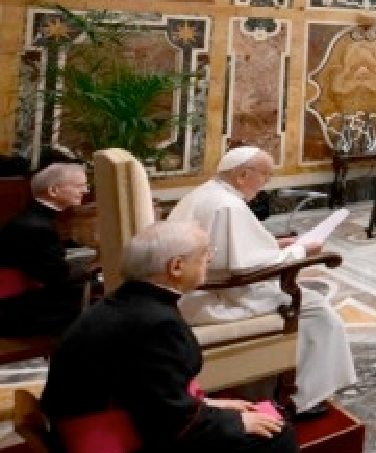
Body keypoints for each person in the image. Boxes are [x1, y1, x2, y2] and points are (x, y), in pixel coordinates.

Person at [41, 221, 298, 453]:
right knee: (278, 436)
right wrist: (235, 423)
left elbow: (147, 390)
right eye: (204, 255)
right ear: (176, 267)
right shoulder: (155, 323)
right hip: (111, 435)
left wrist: (210, 405)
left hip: (112, 415)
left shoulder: (128, 301)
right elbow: (167, 419)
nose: (209, 260)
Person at [167, 147, 357, 415]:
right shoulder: (228, 205)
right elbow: (248, 267)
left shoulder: (204, 193)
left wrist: (277, 245)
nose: (266, 182)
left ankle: (267, 384)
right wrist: (301, 251)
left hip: (193, 290)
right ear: (243, 175)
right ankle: (298, 397)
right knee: (317, 311)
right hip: (217, 298)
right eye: (265, 175)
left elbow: (232, 251)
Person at [0, 162, 93, 337]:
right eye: (79, 186)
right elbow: (57, 277)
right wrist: (90, 268)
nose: (85, 191)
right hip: (14, 310)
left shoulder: (32, 218)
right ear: (53, 191)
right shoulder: (37, 227)